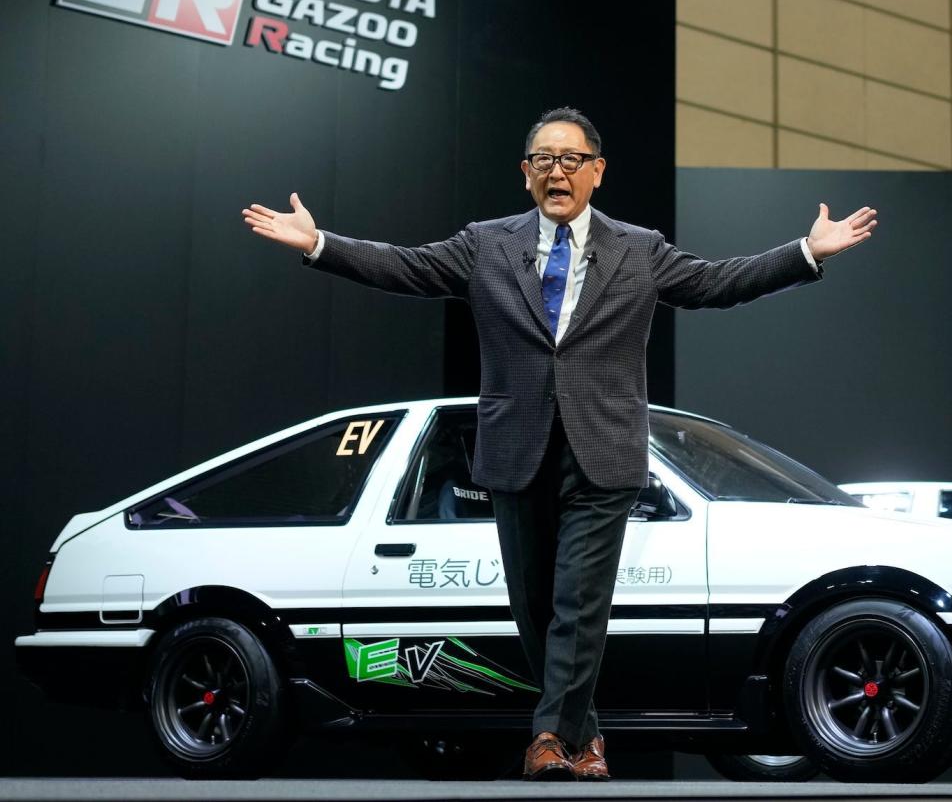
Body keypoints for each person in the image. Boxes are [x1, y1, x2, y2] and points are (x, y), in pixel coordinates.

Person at [242, 106, 877, 780]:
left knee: (578, 602)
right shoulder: (486, 244)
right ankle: (588, 737)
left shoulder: (639, 248)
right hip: (517, 451)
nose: (557, 171)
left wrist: (806, 253)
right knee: (536, 610)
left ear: (596, 172)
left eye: (572, 160)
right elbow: (406, 267)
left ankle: (547, 737)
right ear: (526, 173)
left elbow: (716, 283)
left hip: (603, 454)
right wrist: (319, 245)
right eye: (544, 159)